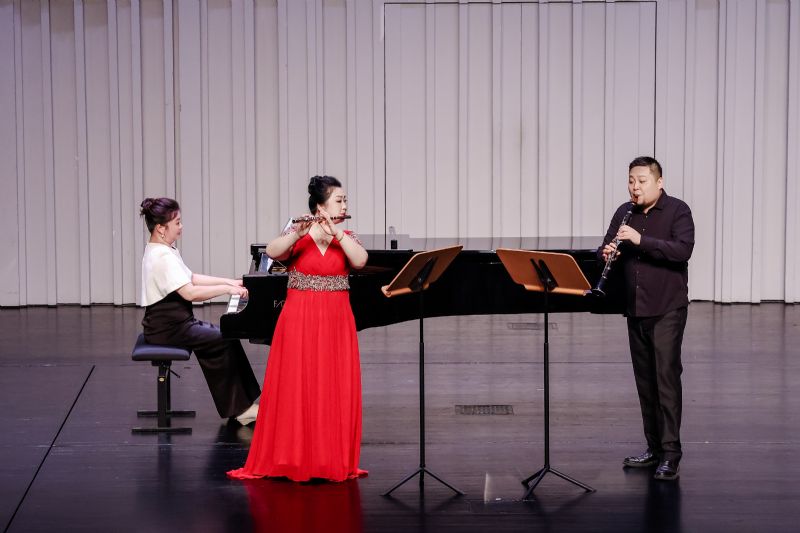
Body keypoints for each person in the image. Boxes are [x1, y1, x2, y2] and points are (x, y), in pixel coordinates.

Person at [227, 175, 368, 482]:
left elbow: (360, 261)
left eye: (345, 200)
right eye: (339, 200)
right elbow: (273, 251)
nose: (345, 205)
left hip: (336, 321)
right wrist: (296, 233)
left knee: (331, 385)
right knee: (298, 384)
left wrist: (337, 234)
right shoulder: (298, 234)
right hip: (300, 319)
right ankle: (294, 457)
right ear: (321, 206)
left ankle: (329, 458)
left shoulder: (347, 236)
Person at [599, 156, 694, 481]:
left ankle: (671, 455)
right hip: (635, 307)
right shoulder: (624, 212)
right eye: (631, 181)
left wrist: (641, 241)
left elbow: (682, 251)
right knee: (645, 382)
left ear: (659, 182)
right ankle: (653, 449)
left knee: (665, 381)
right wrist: (607, 252)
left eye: (641, 181)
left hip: (667, 308)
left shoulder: (678, 211)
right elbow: (604, 246)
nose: (635, 187)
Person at [139, 197, 261, 424]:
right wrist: (227, 289)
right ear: (161, 228)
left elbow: (191, 277)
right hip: (167, 329)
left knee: (226, 336)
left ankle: (245, 404)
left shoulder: (163, 249)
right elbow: (190, 293)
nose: (181, 226)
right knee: (221, 340)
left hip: (174, 324)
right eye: (177, 222)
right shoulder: (161, 257)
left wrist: (230, 281)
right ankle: (241, 410)